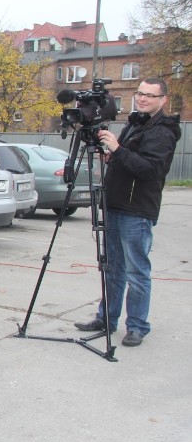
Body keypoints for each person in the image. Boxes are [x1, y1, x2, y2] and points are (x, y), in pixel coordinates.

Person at [74, 78, 181, 347]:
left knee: (136, 272)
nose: (142, 99)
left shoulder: (163, 131)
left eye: (149, 95)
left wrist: (118, 149)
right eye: (139, 93)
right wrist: (112, 155)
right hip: (115, 203)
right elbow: (126, 159)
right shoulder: (135, 122)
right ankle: (106, 318)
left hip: (137, 210)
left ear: (162, 100)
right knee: (112, 268)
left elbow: (151, 169)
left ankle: (137, 326)